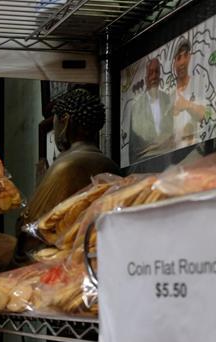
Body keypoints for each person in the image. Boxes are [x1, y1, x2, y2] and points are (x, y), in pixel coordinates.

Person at [18, 88, 120, 257]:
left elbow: (32, 229)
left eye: (55, 123)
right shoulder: (111, 165)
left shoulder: (66, 166)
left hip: (61, 258)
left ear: (64, 121)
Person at [128, 57, 174, 162]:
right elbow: (133, 146)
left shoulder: (168, 100)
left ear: (160, 76)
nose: (154, 76)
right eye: (150, 72)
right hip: (145, 163)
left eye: (156, 72)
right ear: (146, 78)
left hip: (167, 160)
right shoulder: (137, 107)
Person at [172, 38, 209, 147]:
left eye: (185, 55)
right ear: (174, 63)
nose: (182, 62)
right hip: (174, 160)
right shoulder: (168, 94)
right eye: (179, 58)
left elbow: (210, 114)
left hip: (198, 152)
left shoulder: (201, 83)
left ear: (189, 58)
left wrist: (188, 105)